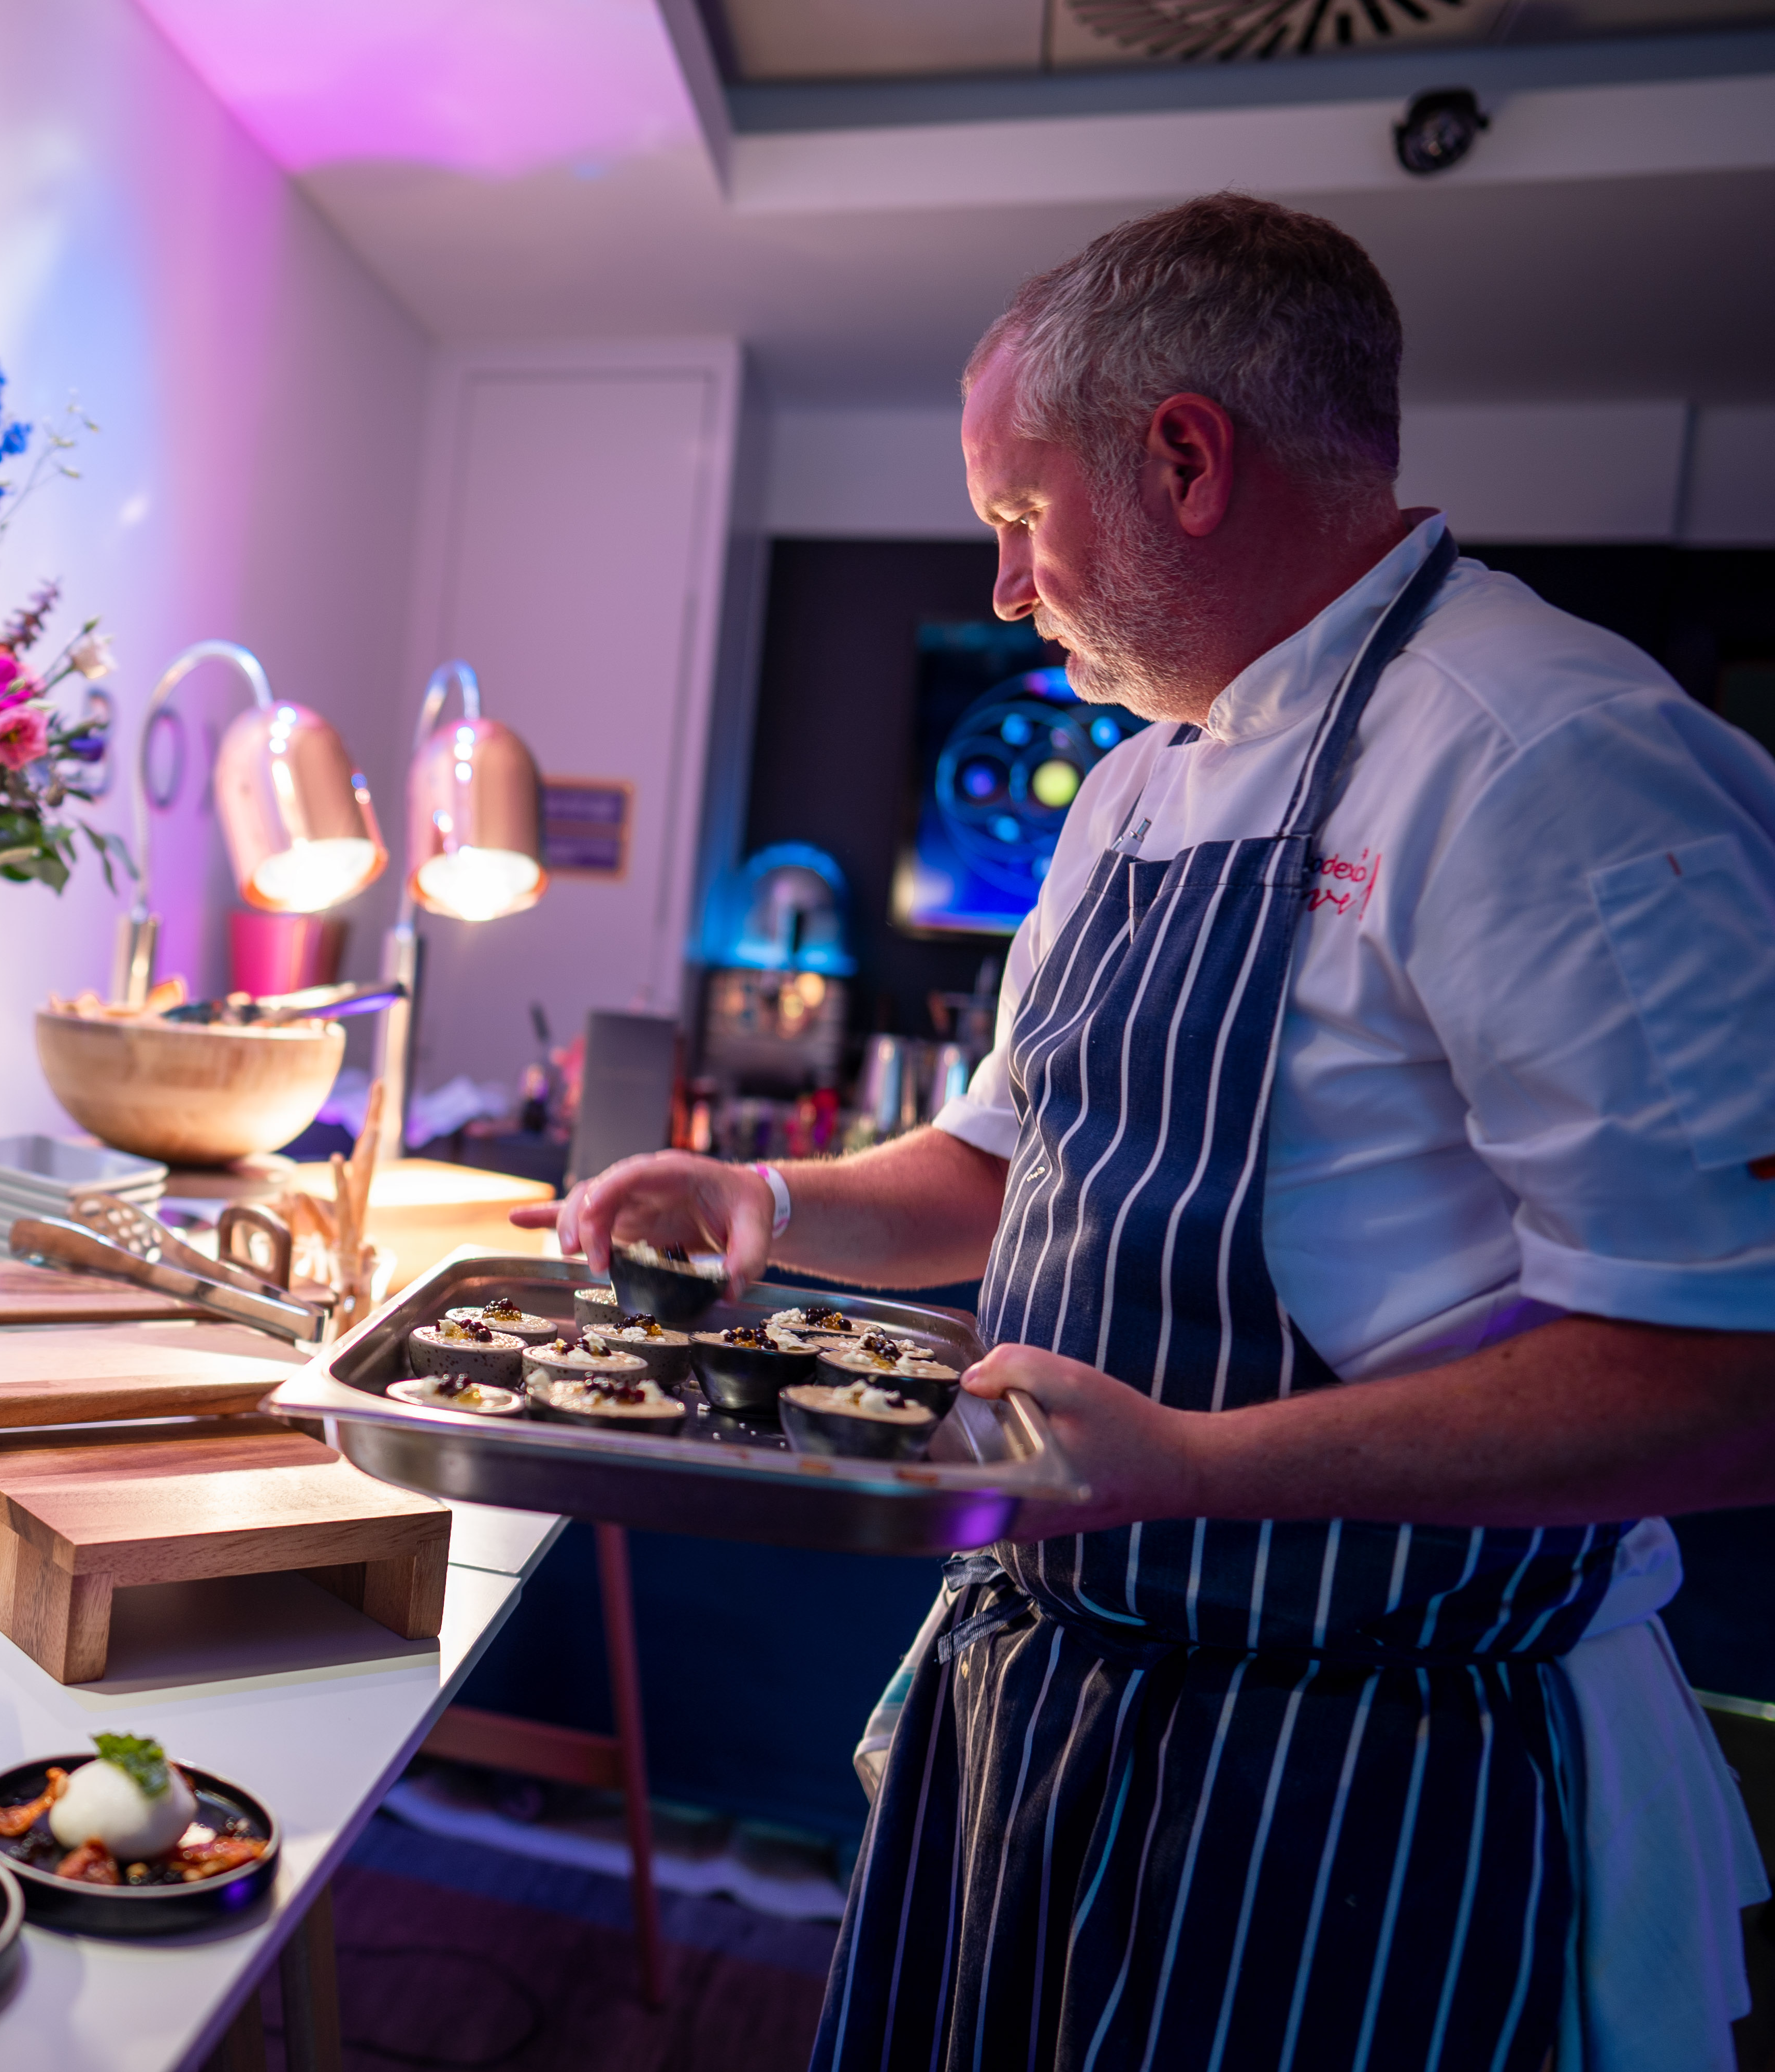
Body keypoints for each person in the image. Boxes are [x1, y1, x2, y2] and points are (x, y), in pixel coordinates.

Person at [518, 194, 1775, 2070]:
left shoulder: (1545, 760)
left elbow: (1729, 1373)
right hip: (1059, 1704)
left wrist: (1187, 1463)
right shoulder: (1130, 789)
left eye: (1022, 521)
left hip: (1372, 1775)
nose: (1009, 590)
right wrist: (765, 1192)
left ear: (1186, 458)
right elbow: (1006, 1160)